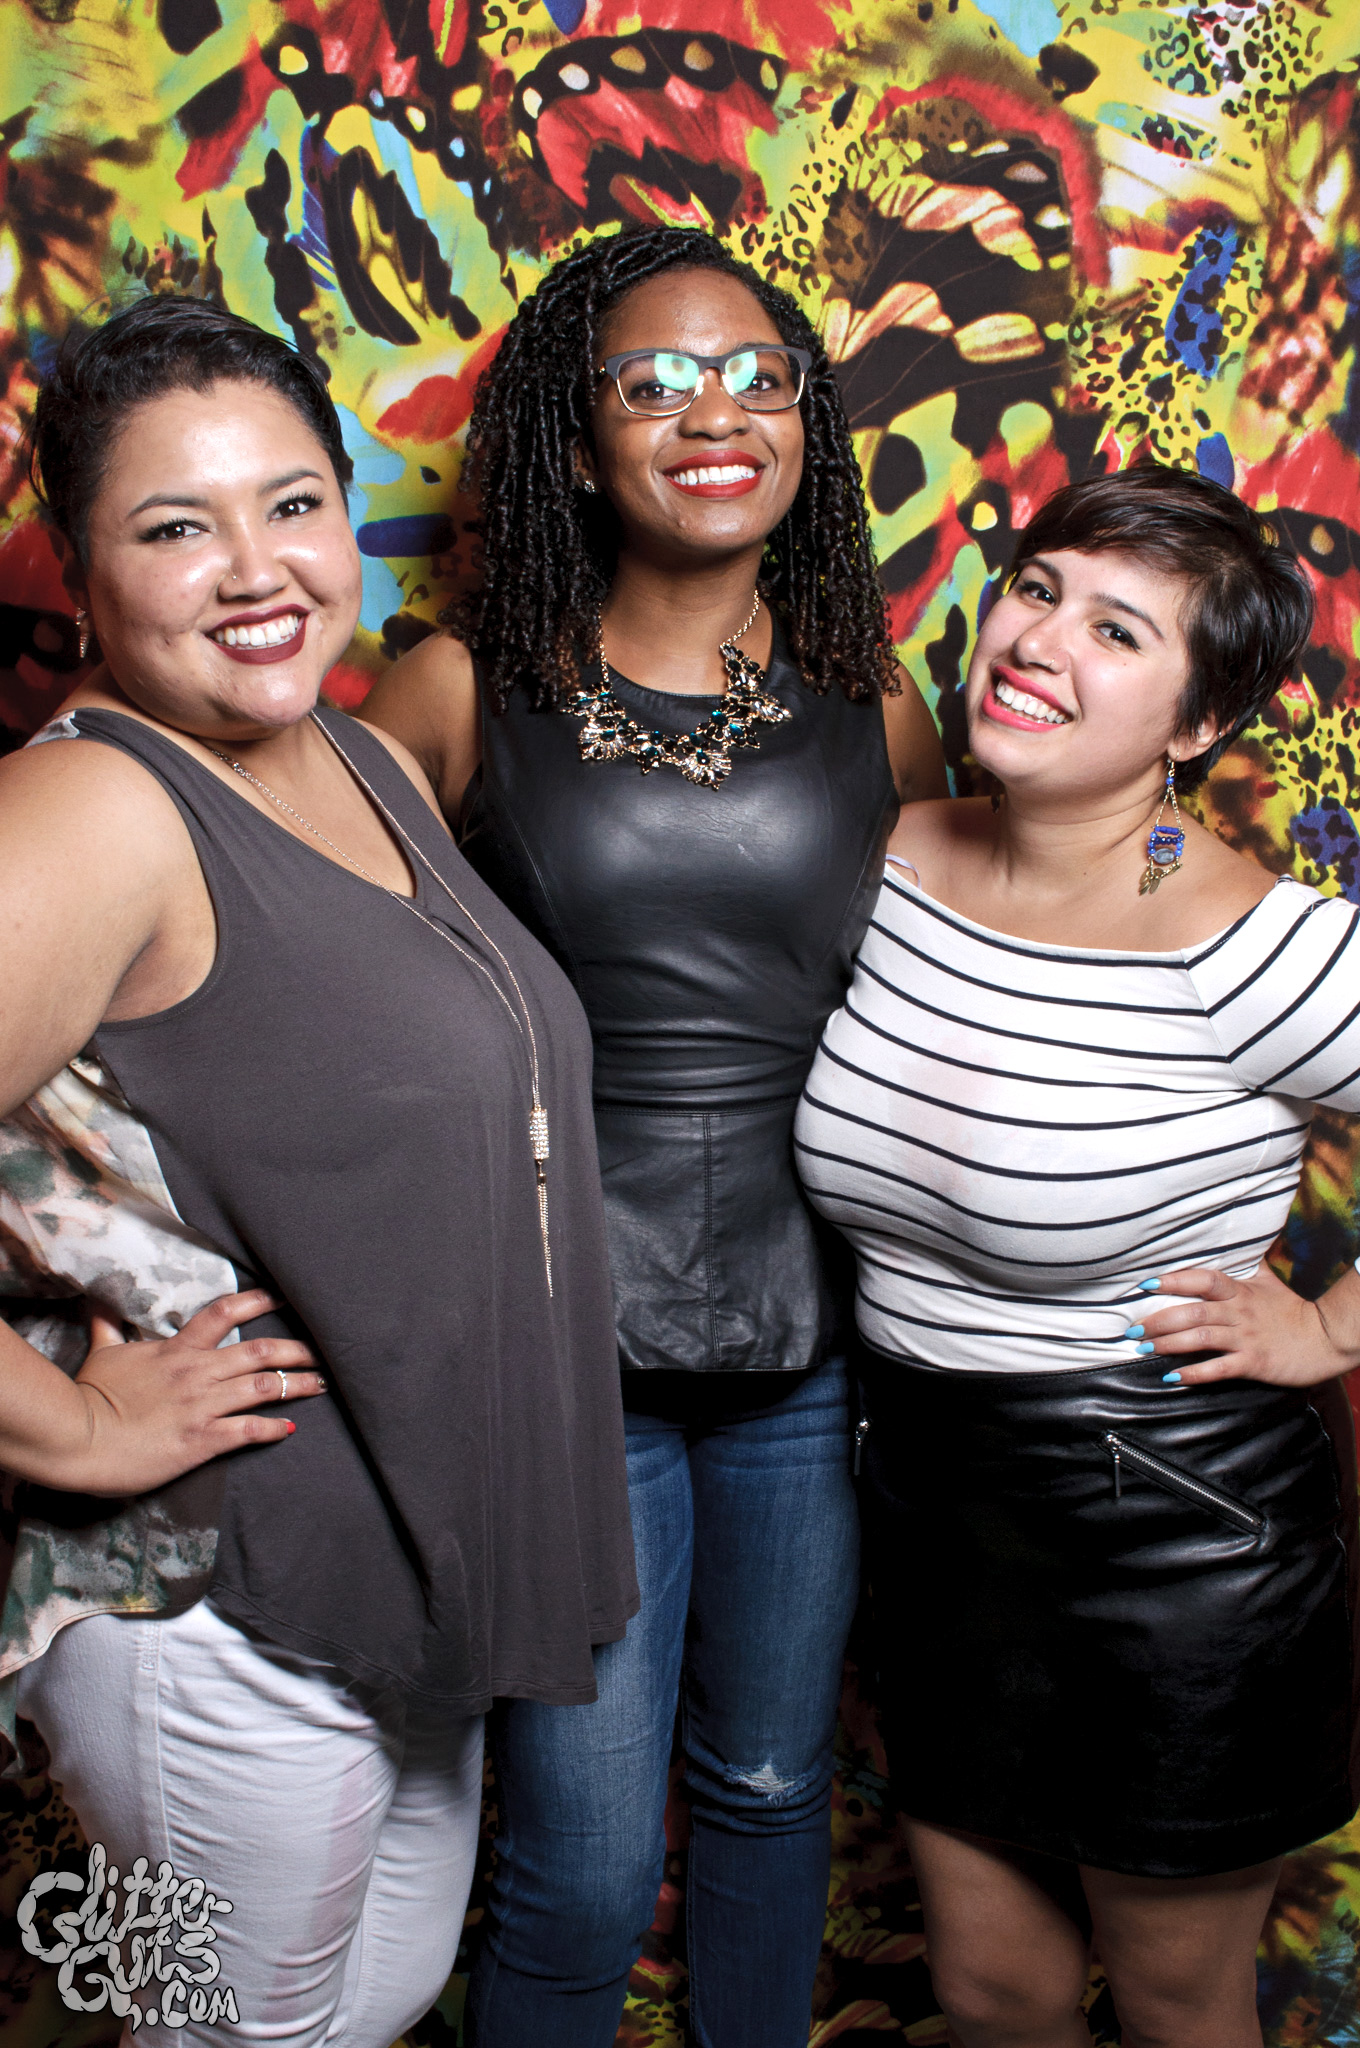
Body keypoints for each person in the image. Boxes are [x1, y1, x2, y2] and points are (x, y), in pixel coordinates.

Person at [0, 295, 636, 2048]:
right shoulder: (96, 811)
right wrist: (78, 1429)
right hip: (214, 1600)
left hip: (400, 1566)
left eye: (290, 504)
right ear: (80, 574)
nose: (253, 569)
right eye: (173, 528)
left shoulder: (355, 751)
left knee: (371, 2005)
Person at [361, 222, 947, 2047]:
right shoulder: (457, 688)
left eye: (760, 376)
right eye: (659, 381)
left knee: (773, 1794)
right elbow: (320, 995)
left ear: (806, 426)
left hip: (814, 1353)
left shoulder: (882, 699)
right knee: (587, 1867)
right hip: (558, 1358)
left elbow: (970, 988)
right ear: (573, 434)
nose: (718, 414)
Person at [795, 462, 1360, 2048]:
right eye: (1039, 590)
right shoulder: (891, 858)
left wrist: (1326, 1328)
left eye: (1121, 631)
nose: (1042, 641)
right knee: (994, 1993)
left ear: (1199, 722)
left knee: (1177, 2003)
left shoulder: (1257, 950)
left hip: (1180, 1533)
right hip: (934, 1510)